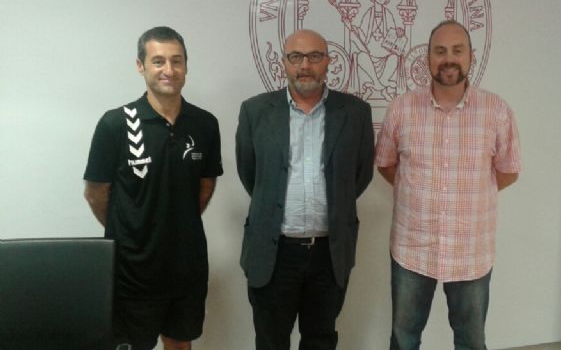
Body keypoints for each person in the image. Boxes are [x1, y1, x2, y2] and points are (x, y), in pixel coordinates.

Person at [375, 20, 522, 350]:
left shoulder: (496, 110)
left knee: (471, 341)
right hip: (413, 246)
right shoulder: (402, 108)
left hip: (470, 249)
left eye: (457, 51)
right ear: (427, 57)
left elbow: (509, 170)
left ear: (471, 56)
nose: (448, 59)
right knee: (403, 338)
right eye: (439, 51)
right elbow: (385, 163)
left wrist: (471, 194)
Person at [83, 26, 223, 350]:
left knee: (180, 345)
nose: (169, 70)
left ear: (187, 66)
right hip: (132, 272)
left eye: (177, 61)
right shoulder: (115, 123)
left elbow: (205, 185)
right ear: (140, 66)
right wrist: (133, 228)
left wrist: (174, 222)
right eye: (158, 61)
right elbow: (95, 193)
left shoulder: (205, 124)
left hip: (186, 268)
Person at [235, 29, 374, 350]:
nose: (305, 65)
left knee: (321, 340)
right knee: (271, 341)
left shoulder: (354, 113)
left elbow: (360, 175)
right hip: (274, 252)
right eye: (295, 57)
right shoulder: (255, 111)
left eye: (315, 56)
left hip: (329, 253)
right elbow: (251, 175)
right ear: (283, 63)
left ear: (328, 62)